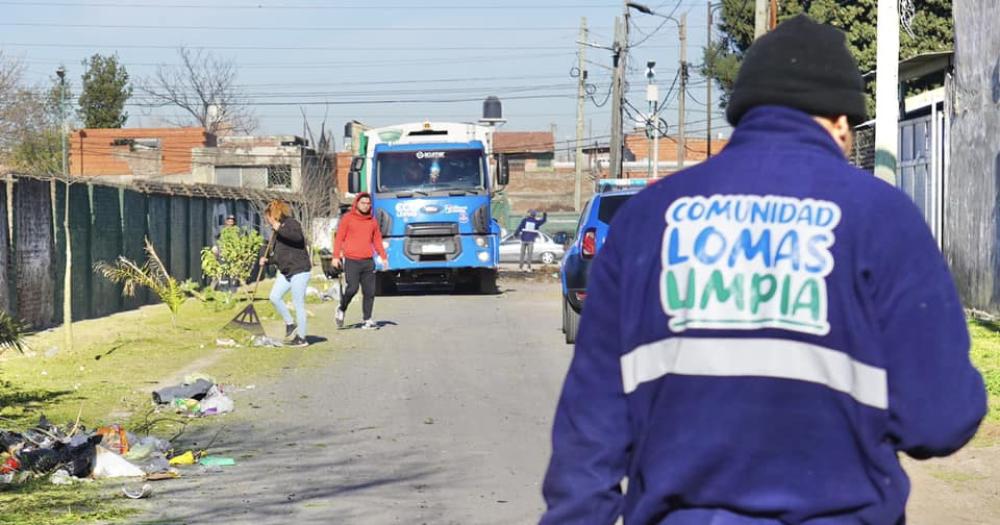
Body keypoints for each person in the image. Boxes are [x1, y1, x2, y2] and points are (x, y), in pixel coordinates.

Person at [541, 15, 986, 525]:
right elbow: (941, 420)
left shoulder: (646, 221)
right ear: (841, 121)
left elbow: (588, 429)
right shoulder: (882, 217)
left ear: (744, 112)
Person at [333, 192, 388, 330]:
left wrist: (383, 257)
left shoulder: (372, 221)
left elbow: (377, 240)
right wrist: (335, 257)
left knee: (370, 291)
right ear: (357, 203)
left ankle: (367, 319)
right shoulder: (348, 218)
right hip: (352, 260)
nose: (366, 206)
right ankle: (341, 308)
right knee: (352, 288)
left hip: (368, 261)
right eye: (363, 203)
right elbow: (339, 237)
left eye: (368, 204)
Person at [260, 200, 311, 348]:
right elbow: (280, 255)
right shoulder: (276, 232)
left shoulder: (291, 224)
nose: (267, 221)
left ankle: (302, 338)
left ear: (274, 215)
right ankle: (290, 323)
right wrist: (267, 260)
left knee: (298, 304)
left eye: (268, 218)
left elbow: (297, 238)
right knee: (274, 297)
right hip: (286, 271)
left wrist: (279, 228)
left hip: (299, 270)